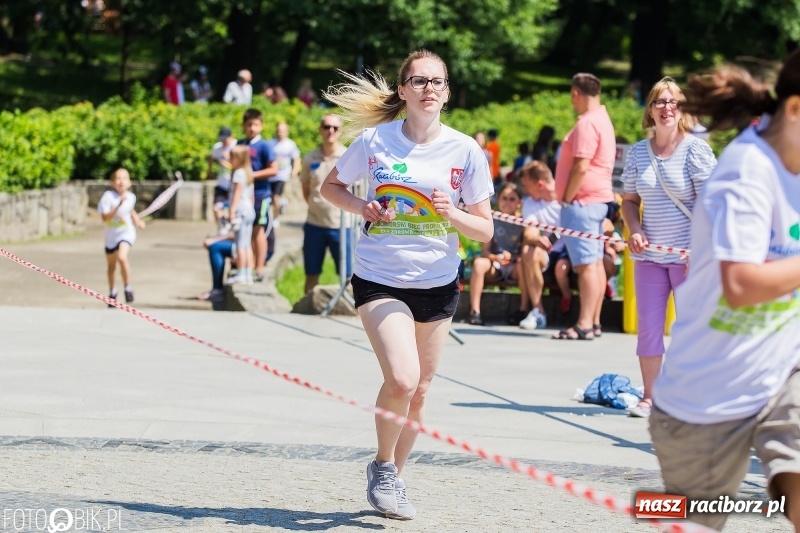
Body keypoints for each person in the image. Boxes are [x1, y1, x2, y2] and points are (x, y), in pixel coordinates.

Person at [319, 49, 494, 520]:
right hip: (380, 276)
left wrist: (450, 212)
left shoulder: (465, 150)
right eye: (418, 81)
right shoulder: (376, 141)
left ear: (447, 91)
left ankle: (394, 478)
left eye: (437, 82)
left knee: (419, 391)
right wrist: (363, 209)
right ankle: (381, 465)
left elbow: (484, 230)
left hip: (438, 282)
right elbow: (329, 188)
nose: (428, 89)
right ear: (402, 90)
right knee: (402, 377)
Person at [648, 49, 800, 531]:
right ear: (795, 110)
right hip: (705, 398)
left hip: (784, 375)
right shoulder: (746, 171)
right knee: (691, 518)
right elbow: (741, 285)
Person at [620, 77, 717, 418]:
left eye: (673, 102)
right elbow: (629, 200)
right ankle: (651, 397)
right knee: (649, 327)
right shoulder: (637, 152)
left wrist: (699, 250)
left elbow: (712, 203)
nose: (667, 108)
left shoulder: (696, 150)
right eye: (660, 102)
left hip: (688, 257)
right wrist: (633, 229)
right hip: (649, 256)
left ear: (684, 109)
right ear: (650, 109)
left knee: (691, 328)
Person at [552, 73, 616, 340]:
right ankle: (594, 321)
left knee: (586, 266)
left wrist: (567, 196)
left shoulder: (587, 124)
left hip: (582, 202)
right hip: (597, 201)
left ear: (576, 93)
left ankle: (584, 324)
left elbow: (581, 165)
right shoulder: (603, 119)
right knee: (595, 264)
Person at [299, 114, 350, 294]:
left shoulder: (348, 156)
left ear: (340, 131)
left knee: (348, 276)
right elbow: (305, 188)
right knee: (311, 274)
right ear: (320, 129)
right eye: (327, 127)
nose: (330, 131)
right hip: (315, 224)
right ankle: (306, 310)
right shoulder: (310, 158)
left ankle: (351, 311)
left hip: (342, 226)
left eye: (335, 128)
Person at [466, 183, 524, 326]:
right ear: (498, 200)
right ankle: (475, 312)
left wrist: (514, 258)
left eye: (512, 199)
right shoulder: (493, 219)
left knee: (524, 266)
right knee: (479, 263)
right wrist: (495, 257)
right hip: (496, 263)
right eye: (504, 198)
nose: (507, 202)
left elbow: (526, 251)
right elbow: (485, 250)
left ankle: (523, 310)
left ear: (519, 202)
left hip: (516, 265)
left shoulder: (524, 221)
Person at [516, 161, 564, 330]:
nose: (525, 190)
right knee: (528, 249)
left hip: (572, 251)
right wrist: (536, 239)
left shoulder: (567, 192)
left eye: (526, 185)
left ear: (540, 184)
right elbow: (529, 231)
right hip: (548, 253)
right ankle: (538, 311)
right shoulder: (530, 203)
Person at [238, 108, 278, 281]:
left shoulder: (264, 146)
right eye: (249, 125)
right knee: (244, 232)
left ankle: (260, 267)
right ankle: (249, 264)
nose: (252, 128)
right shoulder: (240, 144)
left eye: (255, 125)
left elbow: (274, 169)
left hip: (261, 194)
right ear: (243, 126)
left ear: (261, 126)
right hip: (244, 196)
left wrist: (251, 175)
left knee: (257, 231)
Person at [97, 168, 146, 306]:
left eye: (124, 178)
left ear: (129, 182)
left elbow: (130, 210)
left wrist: (137, 221)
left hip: (126, 233)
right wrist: (118, 205)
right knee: (111, 266)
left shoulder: (131, 197)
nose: (121, 181)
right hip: (111, 236)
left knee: (122, 257)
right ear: (112, 182)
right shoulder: (108, 197)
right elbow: (105, 218)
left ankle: (128, 287)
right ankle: (112, 292)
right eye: (118, 178)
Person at [223, 145, 256, 285]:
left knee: (240, 244)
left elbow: (237, 193)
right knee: (247, 243)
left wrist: (231, 211)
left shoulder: (238, 173)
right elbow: (251, 195)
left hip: (241, 211)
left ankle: (241, 272)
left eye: (233, 157)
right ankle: (247, 273)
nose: (230, 160)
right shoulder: (248, 172)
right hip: (249, 210)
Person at [268, 121, 301, 226]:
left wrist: (295, 170)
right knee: (272, 199)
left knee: (275, 196)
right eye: (278, 131)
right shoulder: (270, 143)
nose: (280, 133)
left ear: (286, 132)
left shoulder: (290, 144)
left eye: (282, 131)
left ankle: (276, 217)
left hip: (283, 175)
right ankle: (282, 203)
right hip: (271, 176)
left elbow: (296, 158)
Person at [208, 127, 236, 227]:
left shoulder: (236, 146)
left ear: (231, 137)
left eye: (225, 138)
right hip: (222, 183)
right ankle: (221, 226)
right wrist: (210, 171)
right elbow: (211, 158)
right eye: (221, 138)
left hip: (233, 184)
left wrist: (228, 161)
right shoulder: (217, 147)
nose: (223, 141)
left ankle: (230, 227)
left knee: (232, 208)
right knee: (217, 206)